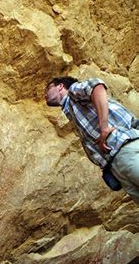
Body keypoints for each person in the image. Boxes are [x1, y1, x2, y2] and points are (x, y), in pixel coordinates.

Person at [45, 76, 139, 204]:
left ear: (60, 86)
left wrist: (104, 127)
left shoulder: (73, 92)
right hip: (117, 164)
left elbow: (97, 86)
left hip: (124, 149)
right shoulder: (72, 110)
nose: (45, 94)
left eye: (48, 89)